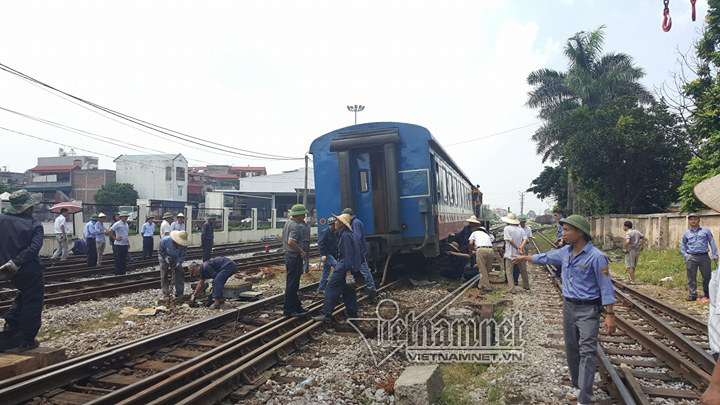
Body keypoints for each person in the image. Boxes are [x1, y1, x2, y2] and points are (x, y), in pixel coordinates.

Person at [513, 214, 615, 405]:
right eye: (563, 229)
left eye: (567, 230)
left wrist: (610, 314)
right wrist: (525, 257)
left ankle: (584, 399)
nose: (563, 233)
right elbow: (545, 257)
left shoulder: (597, 257)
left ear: (580, 233)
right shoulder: (565, 252)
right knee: (572, 349)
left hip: (588, 310)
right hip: (568, 307)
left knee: (587, 351)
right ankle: (577, 386)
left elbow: (606, 287)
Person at [0, 190, 44, 352]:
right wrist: (16, 262)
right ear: (25, 207)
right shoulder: (34, 225)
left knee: (24, 292)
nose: (33, 209)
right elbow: (34, 248)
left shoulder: (1, 220)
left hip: (4, 268)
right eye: (30, 206)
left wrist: (7, 263)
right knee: (33, 300)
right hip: (27, 268)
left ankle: (11, 321)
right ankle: (27, 339)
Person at [313, 213, 360, 322]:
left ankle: (326, 314)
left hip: (343, 268)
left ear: (343, 224)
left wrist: (348, 271)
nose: (335, 223)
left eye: (338, 221)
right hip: (346, 267)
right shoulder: (348, 234)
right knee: (349, 294)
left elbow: (348, 255)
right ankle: (353, 318)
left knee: (331, 288)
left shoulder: (345, 236)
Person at [681, 213, 719, 302]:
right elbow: (683, 244)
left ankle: (707, 293)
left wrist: (715, 255)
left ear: (699, 220)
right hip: (691, 257)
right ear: (689, 221)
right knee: (691, 276)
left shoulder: (706, 231)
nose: (693, 221)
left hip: (704, 257)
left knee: (707, 276)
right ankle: (693, 294)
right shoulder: (687, 233)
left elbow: (712, 243)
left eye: (695, 219)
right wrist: (685, 255)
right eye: (691, 219)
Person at [342, 208, 377, 303]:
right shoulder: (357, 222)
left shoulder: (355, 223)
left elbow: (357, 237)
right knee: (364, 270)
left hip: (358, 253)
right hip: (359, 251)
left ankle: (371, 290)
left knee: (365, 271)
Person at [282, 204, 311, 317]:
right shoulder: (296, 226)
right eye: (303, 214)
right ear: (298, 215)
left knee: (293, 283)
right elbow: (291, 242)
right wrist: (301, 251)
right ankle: (289, 310)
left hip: (289, 256)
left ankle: (296, 306)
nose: (304, 216)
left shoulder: (287, 223)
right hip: (294, 257)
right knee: (292, 284)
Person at [158, 230, 190, 303]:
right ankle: (166, 293)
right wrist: (166, 257)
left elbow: (183, 255)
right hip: (164, 257)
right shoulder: (165, 241)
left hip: (176, 258)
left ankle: (180, 293)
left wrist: (178, 263)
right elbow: (160, 251)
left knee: (180, 272)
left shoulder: (183, 245)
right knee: (164, 273)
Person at [501, 213, 529, 293]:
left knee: (509, 271)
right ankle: (526, 285)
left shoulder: (507, 228)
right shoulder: (520, 229)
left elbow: (509, 240)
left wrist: (517, 247)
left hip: (510, 254)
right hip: (521, 254)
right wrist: (521, 247)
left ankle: (512, 289)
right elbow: (525, 239)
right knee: (523, 270)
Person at [468, 225, 495, 291]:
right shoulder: (486, 235)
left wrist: (472, 251)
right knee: (487, 269)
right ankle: (480, 285)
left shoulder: (474, 233)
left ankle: (487, 287)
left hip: (481, 249)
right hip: (491, 250)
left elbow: (470, 243)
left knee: (482, 269)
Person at [317, 216, 339, 293]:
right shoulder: (325, 232)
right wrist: (323, 254)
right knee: (337, 266)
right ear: (331, 225)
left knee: (326, 272)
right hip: (326, 254)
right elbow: (321, 244)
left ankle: (321, 288)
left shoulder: (334, 233)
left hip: (332, 254)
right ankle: (331, 286)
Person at [623, 221, 645, 285]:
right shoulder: (637, 232)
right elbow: (645, 239)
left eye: (624, 226)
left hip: (631, 250)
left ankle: (633, 280)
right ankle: (631, 278)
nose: (623, 227)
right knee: (634, 265)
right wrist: (640, 245)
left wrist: (627, 250)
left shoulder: (628, 233)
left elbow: (627, 242)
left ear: (626, 227)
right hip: (637, 250)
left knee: (630, 266)